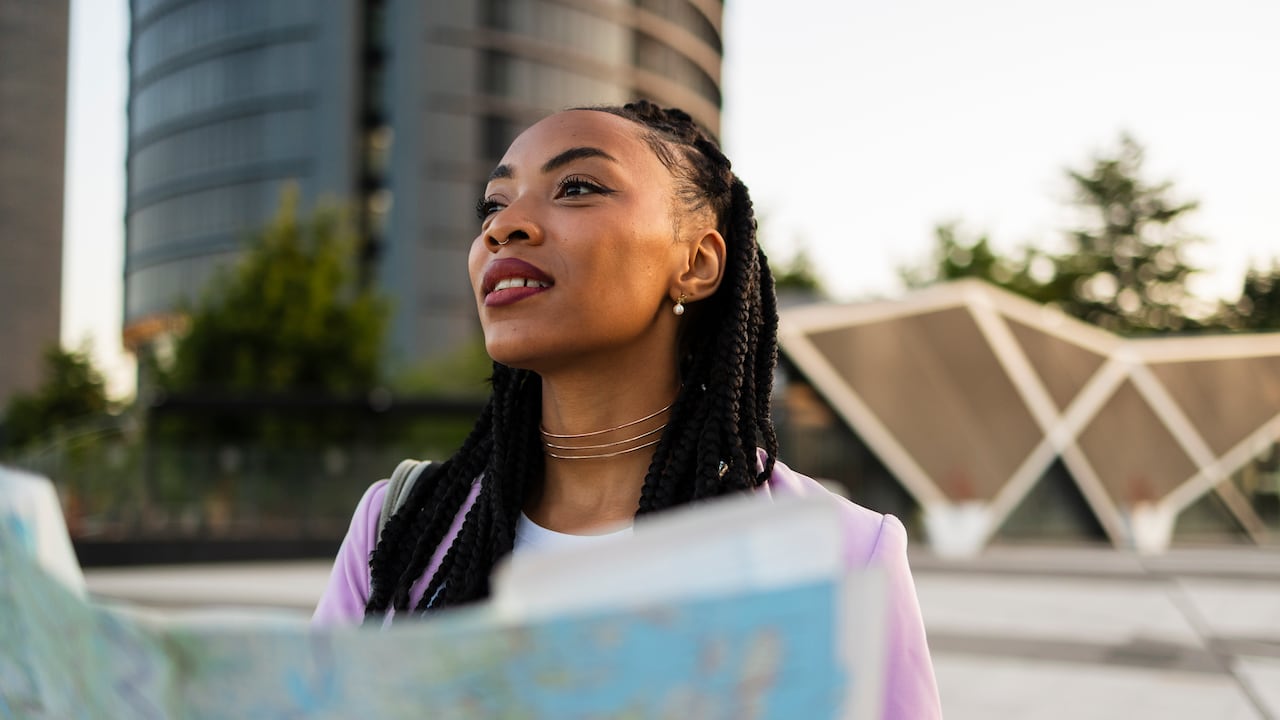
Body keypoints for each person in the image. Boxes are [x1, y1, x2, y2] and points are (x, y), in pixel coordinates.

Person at [314, 100, 941, 717]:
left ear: (696, 262)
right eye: (493, 205)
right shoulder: (396, 526)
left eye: (578, 187)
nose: (502, 227)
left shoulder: (844, 554)